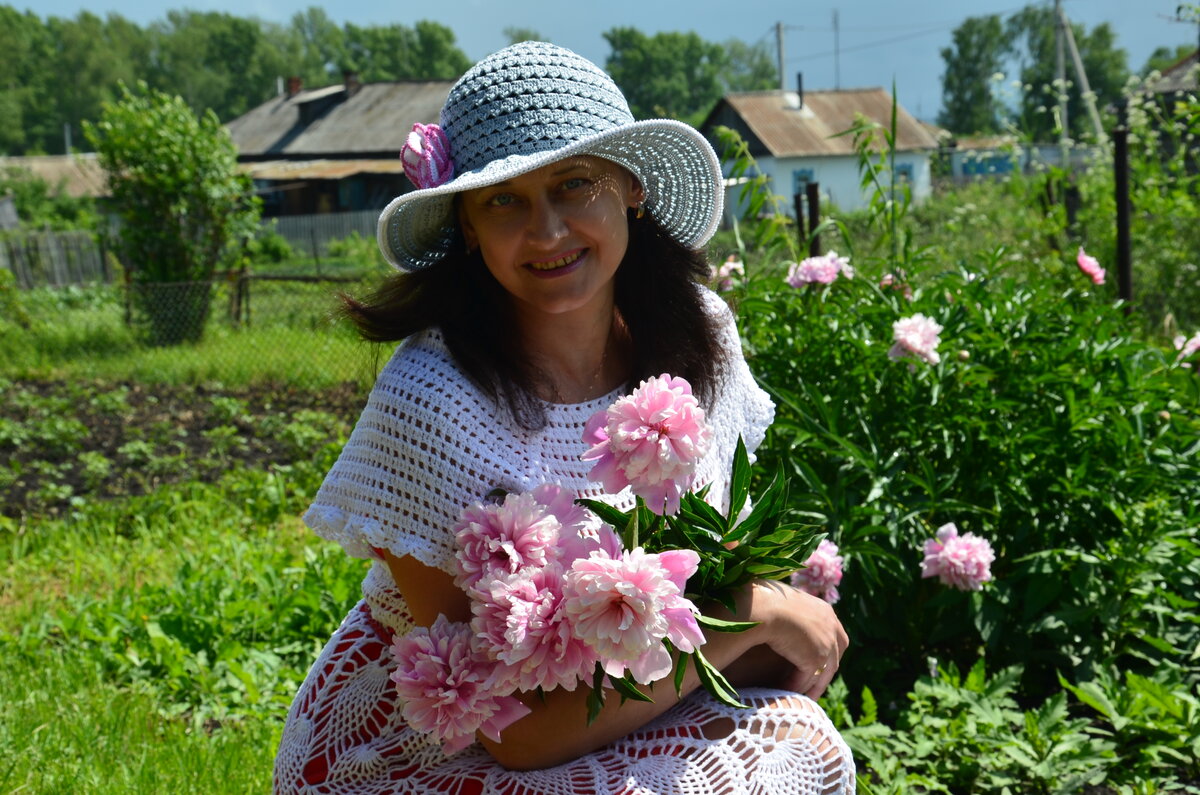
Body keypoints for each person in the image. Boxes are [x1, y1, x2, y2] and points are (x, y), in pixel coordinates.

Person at [274, 41, 855, 794]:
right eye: (504, 199)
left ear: (631, 189)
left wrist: (757, 617)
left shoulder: (696, 337)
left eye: (574, 184)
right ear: (468, 226)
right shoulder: (431, 400)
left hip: (624, 706)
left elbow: (719, 558)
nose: (546, 230)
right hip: (421, 758)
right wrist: (750, 613)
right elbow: (511, 736)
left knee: (800, 743)